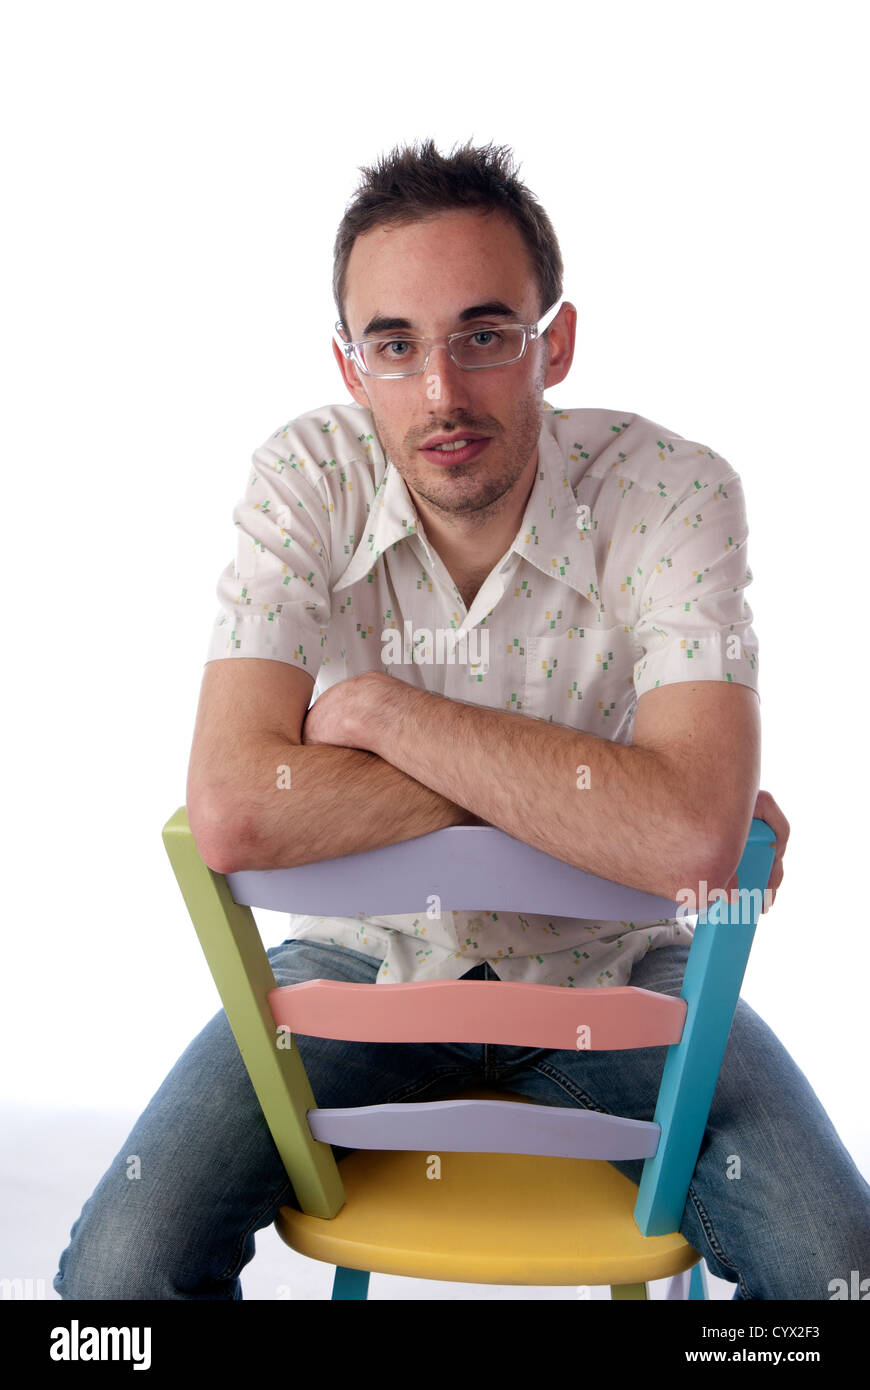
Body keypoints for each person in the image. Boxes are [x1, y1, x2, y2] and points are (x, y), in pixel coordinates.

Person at [55, 139, 868, 1300]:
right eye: (396, 345)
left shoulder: (676, 490)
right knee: (115, 1286)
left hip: (622, 976)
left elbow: (691, 846)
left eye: (486, 336)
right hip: (364, 964)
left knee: (840, 1275)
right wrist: (617, 790)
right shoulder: (302, 481)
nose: (440, 391)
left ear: (557, 343)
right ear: (350, 364)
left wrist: (380, 716)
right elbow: (234, 809)